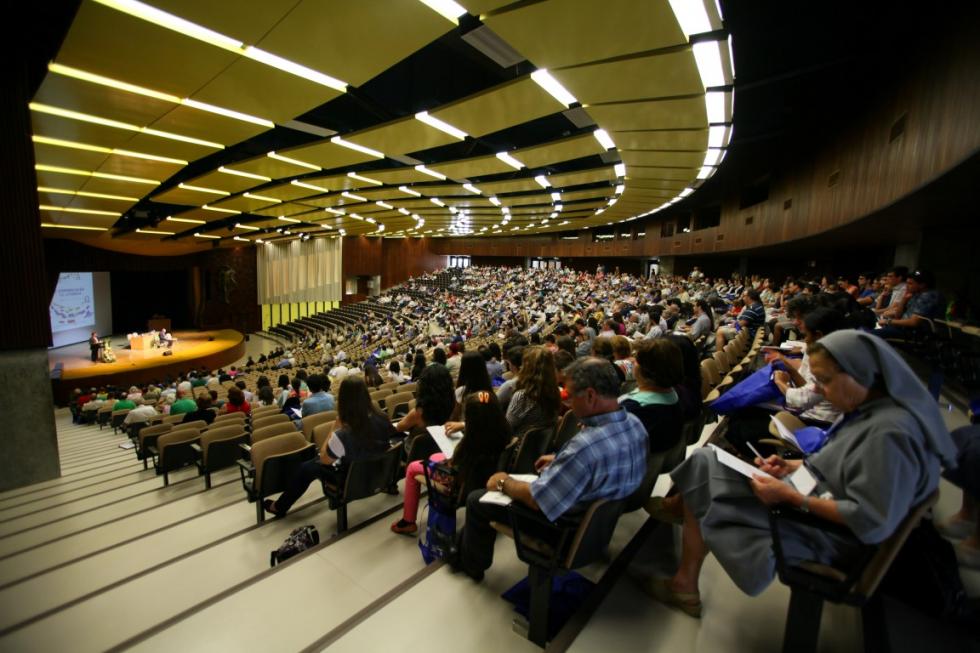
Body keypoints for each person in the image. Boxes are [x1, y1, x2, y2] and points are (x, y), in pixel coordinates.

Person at [642, 330, 957, 616]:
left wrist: (791, 497)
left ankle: (683, 582)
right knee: (705, 461)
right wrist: (794, 466)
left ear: (860, 373)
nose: (818, 389)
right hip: (817, 499)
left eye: (825, 380)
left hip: (829, 535)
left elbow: (870, 520)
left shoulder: (891, 434)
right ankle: (684, 573)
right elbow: (847, 469)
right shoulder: (872, 411)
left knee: (705, 476)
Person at [451, 358, 648, 581]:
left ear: (591, 395)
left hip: (562, 530)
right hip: (596, 523)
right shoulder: (635, 423)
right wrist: (560, 459)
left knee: (477, 499)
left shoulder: (584, 449)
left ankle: (471, 565)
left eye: (571, 395)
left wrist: (502, 481)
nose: (569, 402)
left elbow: (537, 500)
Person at [264, 377, 398, 516]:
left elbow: (324, 459)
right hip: (380, 471)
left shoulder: (342, 435)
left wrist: (334, 427)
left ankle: (279, 507)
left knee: (307, 468)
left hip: (352, 481)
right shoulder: (383, 417)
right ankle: (280, 506)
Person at [391, 391, 512, 535]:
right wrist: (462, 425)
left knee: (412, 467)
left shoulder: (470, 444)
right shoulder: (505, 431)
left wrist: (451, 457)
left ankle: (408, 522)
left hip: (458, 483)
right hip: (486, 479)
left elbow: (454, 464)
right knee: (436, 455)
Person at [619, 339, 684, 453]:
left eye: (637, 360)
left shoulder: (633, 409)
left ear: (646, 370)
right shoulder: (673, 393)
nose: (633, 362)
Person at [502, 346, 561, 436]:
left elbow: (506, 429)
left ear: (527, 368)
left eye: (524, 364)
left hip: (520, 446)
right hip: (542, 444)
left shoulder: (522, 396)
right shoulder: (554, 390)